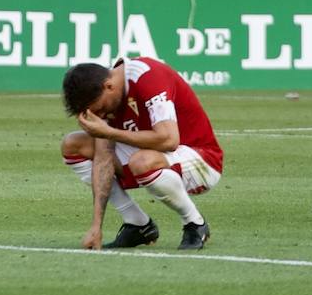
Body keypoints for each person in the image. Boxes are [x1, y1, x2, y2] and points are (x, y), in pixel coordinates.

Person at [60, 57, 223, 251]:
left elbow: (169, 140)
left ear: (109, 86)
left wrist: (109, 132)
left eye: (101, 109)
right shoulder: (110, 95)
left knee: (141, 161)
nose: (101, 116)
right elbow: (103, 160)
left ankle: (195, 224)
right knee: (73, 145)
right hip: (155, 157)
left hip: (201, 160)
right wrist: (96, 226)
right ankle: (137, 224)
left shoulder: (148, 77)